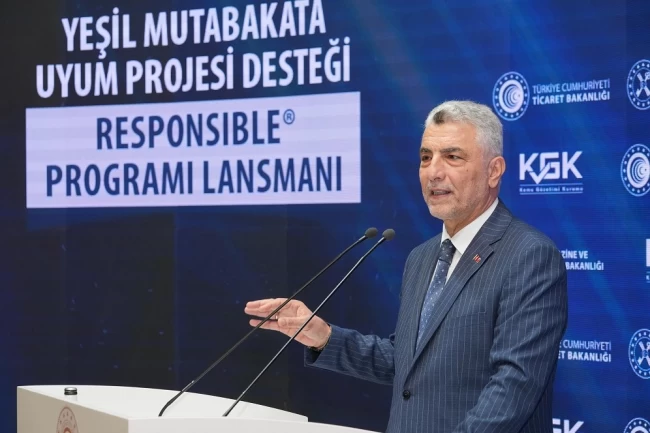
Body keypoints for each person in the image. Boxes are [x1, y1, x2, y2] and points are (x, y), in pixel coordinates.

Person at [244, 100, 568, 433]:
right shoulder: (422, 258)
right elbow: (406, 362)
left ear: (494, 171)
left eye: (453, 157)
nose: (434, 172)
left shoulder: (529, 256)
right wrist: (323, 336)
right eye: (426, 157)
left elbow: (514, 387)